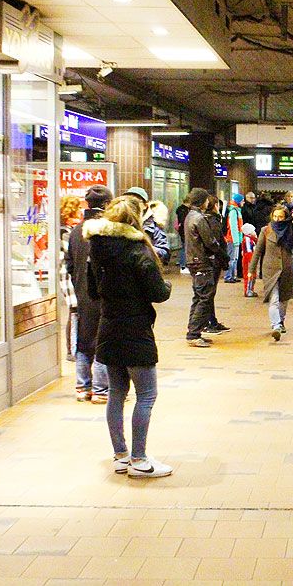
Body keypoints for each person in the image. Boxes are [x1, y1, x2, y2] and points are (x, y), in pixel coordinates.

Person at [84, 195, 172, 478]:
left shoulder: (96, 248)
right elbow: (158, 293)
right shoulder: (138, 250)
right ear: (137, 219)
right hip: (135, 329)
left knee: (117, 393)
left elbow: (92, 291)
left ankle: (121, 455)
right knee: (146, 395)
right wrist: (167, 285)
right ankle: (140, 460)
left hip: (108, 326)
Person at [67, 185, 112, 403]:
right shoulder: (107, 230)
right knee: (103, 339)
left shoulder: (76, 231)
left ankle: (82, 387)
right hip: (103, 293)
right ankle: (101, 389)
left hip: (81, 294)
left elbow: (69, 264)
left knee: (84, 340)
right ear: (107, 204)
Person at [248, 204, 293, 340]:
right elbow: (258, 251)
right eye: (275, 216)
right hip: (270, 270)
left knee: (284, 299)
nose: (277, 219)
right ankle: (276, 326)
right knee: (273, 299)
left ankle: (281, 320)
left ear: (285, 217)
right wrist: (252, 269)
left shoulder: (291, 229)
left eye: (280, 217)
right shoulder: (266, 230)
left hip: (286, 269)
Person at [183, 188, 225, 347]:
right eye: (206, 199)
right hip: (201, 261)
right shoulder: (199, 218)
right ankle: (193, 334)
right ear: (202, 201)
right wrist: (221, 254)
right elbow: (210, 241)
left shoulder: (190, 216)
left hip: (193, 261)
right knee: (205, 298)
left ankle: (194, 331)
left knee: (198, 296)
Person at [59, 195, 84, 361]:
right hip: (67, 273)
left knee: (75, 310)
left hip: (69, 271)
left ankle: (73, 347)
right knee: (74, 310)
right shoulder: (66, 231)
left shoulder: (66, 229)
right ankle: (71, 349)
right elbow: (70, 252)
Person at [204, 195, 231, 335]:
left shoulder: (206, 219)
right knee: (208, 293)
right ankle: (209, 322)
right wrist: (223, 256)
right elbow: (214, 243)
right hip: (213, 261)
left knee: (208, 293)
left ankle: (211, 321)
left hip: (211, 260)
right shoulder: (212, 221)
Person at [123, 187, 169, 263]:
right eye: (129, 201)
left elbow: (164, 252)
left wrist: (142, 248)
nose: (132, 205)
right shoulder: (119, 222)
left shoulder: (154, 226)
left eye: (137, 201)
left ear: (145, 205)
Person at [223, 193, 244, 283]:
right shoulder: (234, 212)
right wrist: (236, 240)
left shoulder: (235, 210)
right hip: (232, 239)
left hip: (235, 239)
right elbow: (233, 226)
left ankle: (232, 276)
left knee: (234, 258)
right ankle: (228, 276)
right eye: (242, 201)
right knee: (231, 259)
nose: (243, 202)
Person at [240, 223, 258, 297]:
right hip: (248, 261)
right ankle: (248, 291)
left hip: (250, 260)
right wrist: (251, 261)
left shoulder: (251, 239)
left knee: (252, 276)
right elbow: (248, 252)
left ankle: (251, 289)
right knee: (249, 276)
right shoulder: (247, 239)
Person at [175, 196, 191, 274]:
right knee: (185, 248)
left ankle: (182, 264)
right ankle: (183, 266)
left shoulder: (180, 209)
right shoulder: (184, 210)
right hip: (184, 231)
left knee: (183, 247)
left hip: (182, 231)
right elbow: (183, 221)